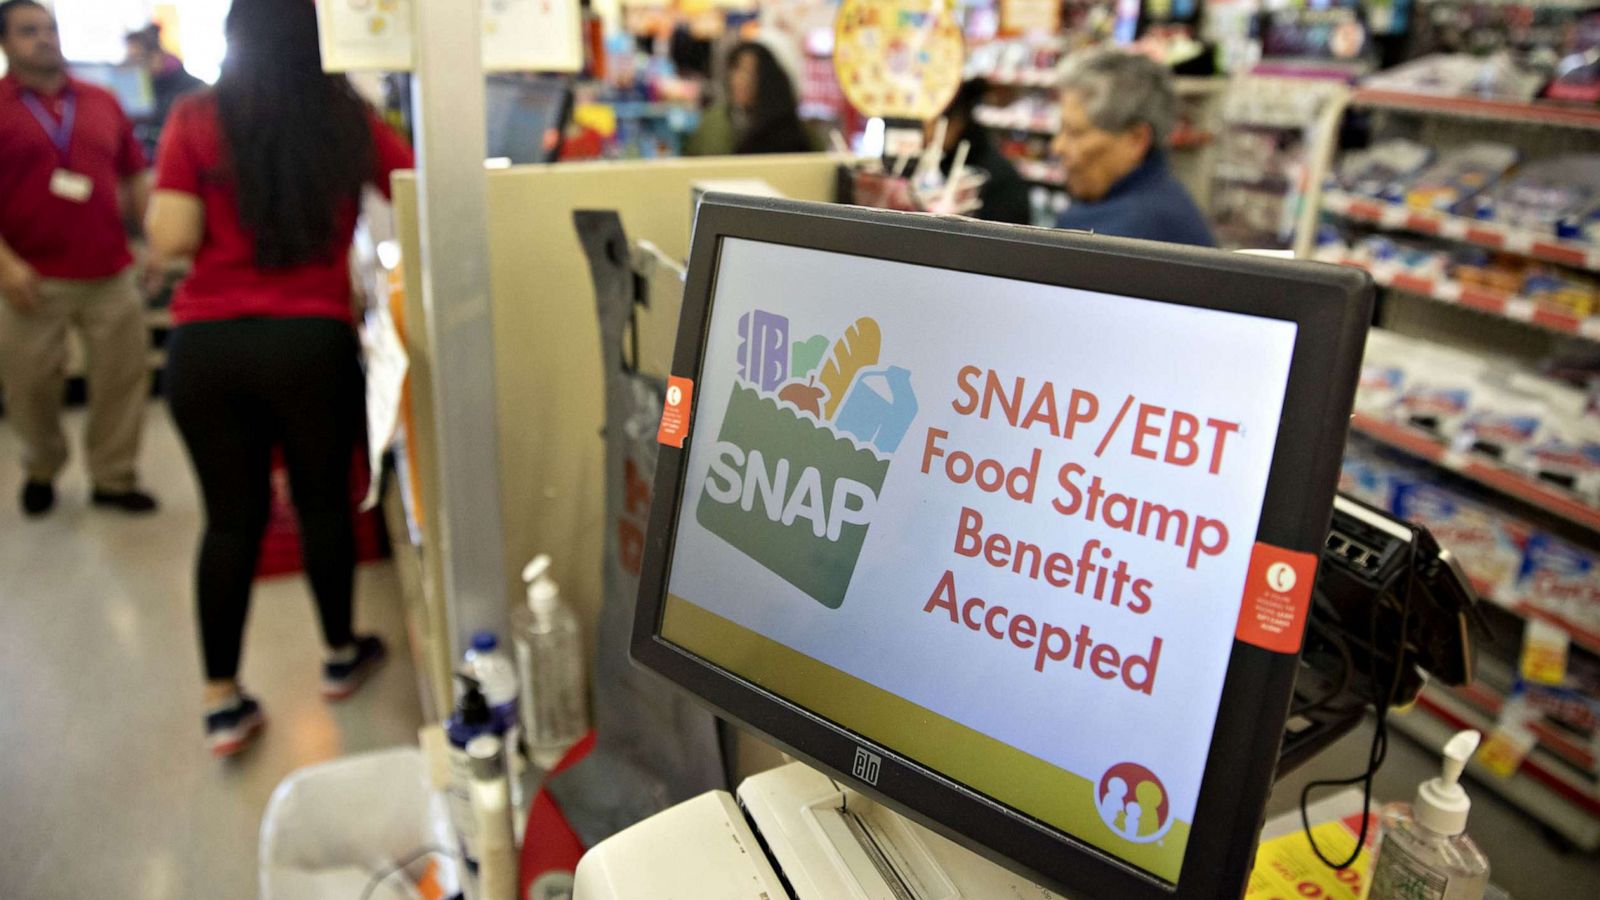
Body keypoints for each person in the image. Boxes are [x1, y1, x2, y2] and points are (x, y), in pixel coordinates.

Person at [145, 0, 413, 757]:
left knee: (231, 521)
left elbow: (173, 235)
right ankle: (339, 654)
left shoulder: (197, 117)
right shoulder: (346, 119)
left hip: (207, 348)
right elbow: (421, 193)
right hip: (310, 341)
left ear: (234, 37)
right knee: (324, 503)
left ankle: (222, 701)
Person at [0, 0, 157, 518]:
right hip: (28, 276)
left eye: (50, 29)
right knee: (31, 389)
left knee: (121, 381)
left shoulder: (101, 100)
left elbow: (134, 174)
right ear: (6, 43)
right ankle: (42, 465)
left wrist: (152, 241)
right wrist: (5, 266)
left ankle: (113, 477)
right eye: (29, 31)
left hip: (109, 269)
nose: (44, 39)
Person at [1051, 49, 1215, 247]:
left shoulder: (1128, 236)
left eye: (1075, 132)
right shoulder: (1155, 200)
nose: (1057, 147)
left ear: (1136, 139)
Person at [929, 79, 1032, 225]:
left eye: (930, 123)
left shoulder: (995, 178)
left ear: (957, 121)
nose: (925, 134)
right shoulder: (938, 162)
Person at [686, 40, 813, 156]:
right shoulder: (716, 121)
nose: (738, 80)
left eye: (749, 72)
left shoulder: (794, 130)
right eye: (735, 69)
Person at [124, 23, 203, 161]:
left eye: (136, 59)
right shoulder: (147, 85)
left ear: (156, 56)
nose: (131, 66)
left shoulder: (193, 90)